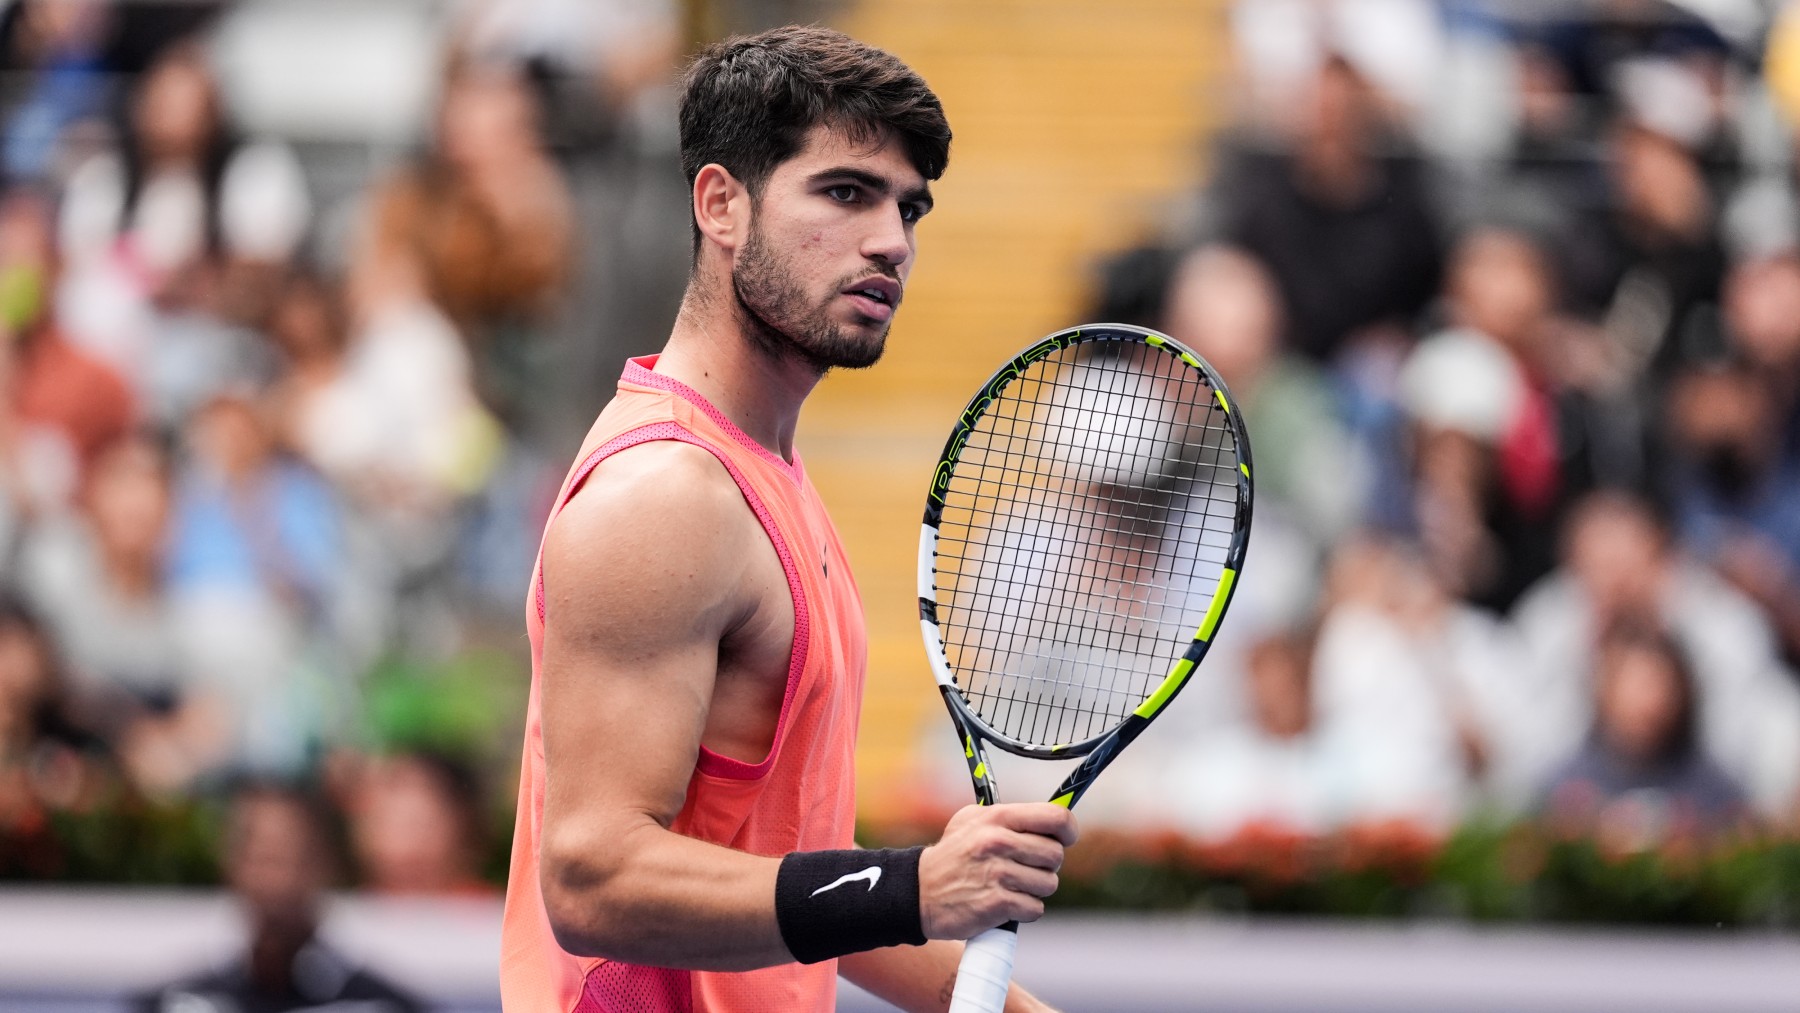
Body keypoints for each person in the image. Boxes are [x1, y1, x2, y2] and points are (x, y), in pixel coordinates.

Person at [500, 26, 1075, 1013]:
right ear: (721, 204)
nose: (891, 239)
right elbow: (593, 878)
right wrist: (911, 887)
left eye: (909, 207)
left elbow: (776, 861)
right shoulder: (671, 495)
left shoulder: (760, 472)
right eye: (846, 193)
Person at [139, 781, 421, 1013]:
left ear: (324, 865)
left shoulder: (377, 1005)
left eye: (284, 857)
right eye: (256, 856)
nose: (270, 878)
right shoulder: (179, 1002)